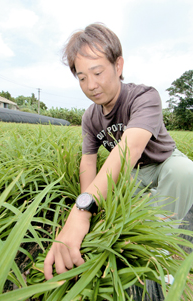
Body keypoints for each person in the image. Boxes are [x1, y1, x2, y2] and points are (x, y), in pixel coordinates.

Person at [44, 23, 193, 280]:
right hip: (131, 174)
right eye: (81, 78)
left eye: (98, 72)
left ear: (118, 66)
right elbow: (88, 163)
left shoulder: (144, 97)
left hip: (162, 163)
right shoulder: (90, 117)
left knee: (185, 171)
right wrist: (88, 210)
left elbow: (130, 148)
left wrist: (82, 210)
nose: (91, 85)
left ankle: (160, 251)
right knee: (112, 203)